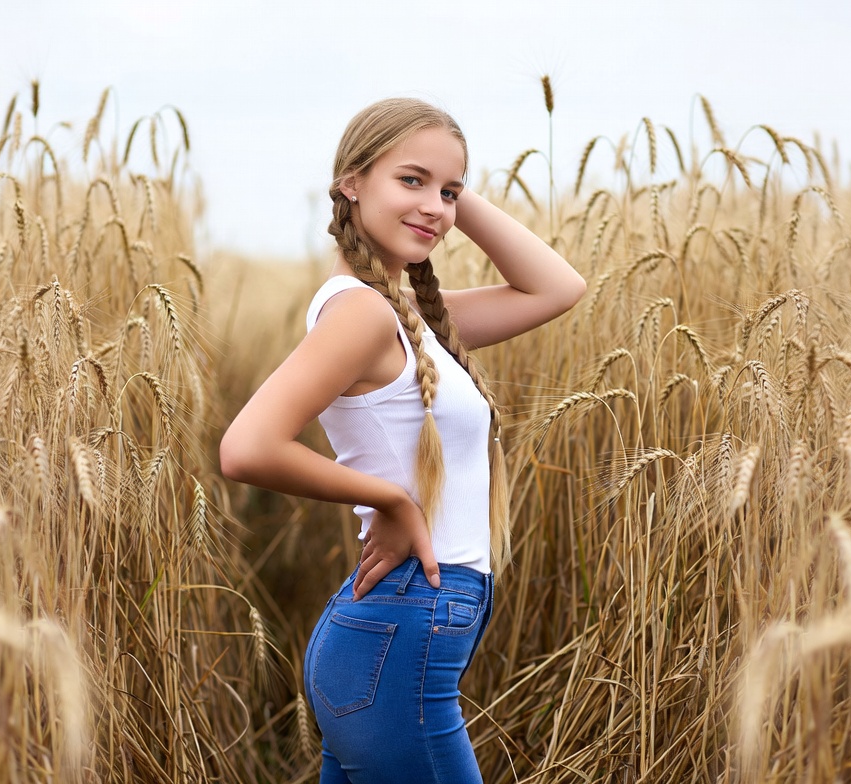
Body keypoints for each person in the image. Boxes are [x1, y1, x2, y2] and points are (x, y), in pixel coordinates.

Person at [219, 97, 585, 784]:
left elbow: (557, 287)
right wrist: (392, 501)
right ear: (350, 183)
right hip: (397, 638)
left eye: (449, 191)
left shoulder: (407, 318)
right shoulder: (360, 314)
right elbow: (246, 446)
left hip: (391, 639)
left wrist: (448, 192)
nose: (436, 208)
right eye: (410, 180)